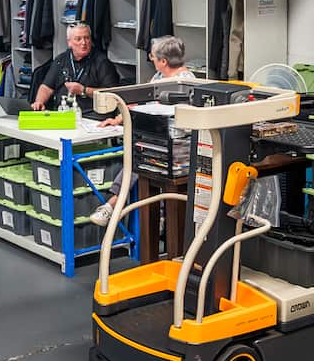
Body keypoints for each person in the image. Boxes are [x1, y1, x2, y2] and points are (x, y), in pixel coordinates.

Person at [91, 35, 198, 227]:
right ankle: (115, 205)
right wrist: (117, 119)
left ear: (163, 61)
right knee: (136, 157)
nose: (151, 60)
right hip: (154, 139)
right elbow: (140, 103)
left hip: (177, 148)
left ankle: (112, 204)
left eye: (153, 57)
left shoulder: (186, 83)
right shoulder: (159, 78)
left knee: (136, 160)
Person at [30, 22, 119, 111]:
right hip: (62, 112)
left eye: (87, 38)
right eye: (78, 39)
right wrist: (39, 102)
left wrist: (84, 90)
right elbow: (47, 87)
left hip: (90, 114)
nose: (83, 42)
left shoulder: (102, 62)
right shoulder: (61, 60)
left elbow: (111, 94)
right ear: (69, 42)